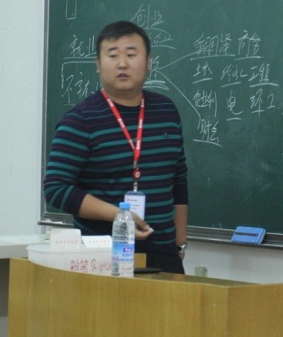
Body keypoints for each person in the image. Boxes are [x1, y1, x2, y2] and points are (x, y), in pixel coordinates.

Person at [44, 20, 189, 273]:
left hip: (163, 254)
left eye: (131, 55)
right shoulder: (80, 119)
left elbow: (178, 178)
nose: (122, 64)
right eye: (112, 55)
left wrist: (180, 242)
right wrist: (119, 216)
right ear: (98, 64)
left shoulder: (166, 111)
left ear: (149, 62)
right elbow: (56, 189)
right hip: (102, 255)